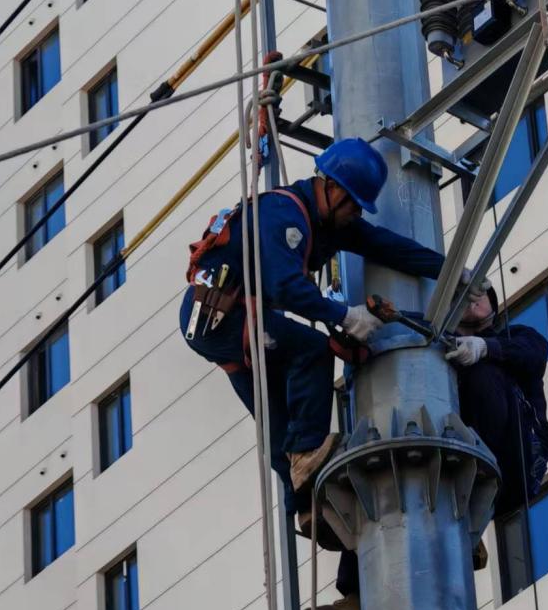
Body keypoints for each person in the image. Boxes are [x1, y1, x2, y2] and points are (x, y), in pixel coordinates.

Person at [178, 138, 460, 526]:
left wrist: (449, 270)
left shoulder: (328, 224)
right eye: (354, 204)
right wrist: (345, 315)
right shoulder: (283, 216)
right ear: (333, 190)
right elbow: (286, 287)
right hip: (225, 318)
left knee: (279, 424)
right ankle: (309, 453)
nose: (356, 214)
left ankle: (308, 508)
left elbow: (384, 245)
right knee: (312, 351)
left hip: (226, 327)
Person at [305, 285, 548, 610]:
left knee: (481, 376)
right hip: (459, 453)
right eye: (464, 294)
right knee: (385, 449)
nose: (475, 297)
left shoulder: (516, 338)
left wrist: (486, 347)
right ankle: (357, 594)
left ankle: (469, 516)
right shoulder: (436, 347)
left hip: (515, 457)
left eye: (483, 292)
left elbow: (534, 352)